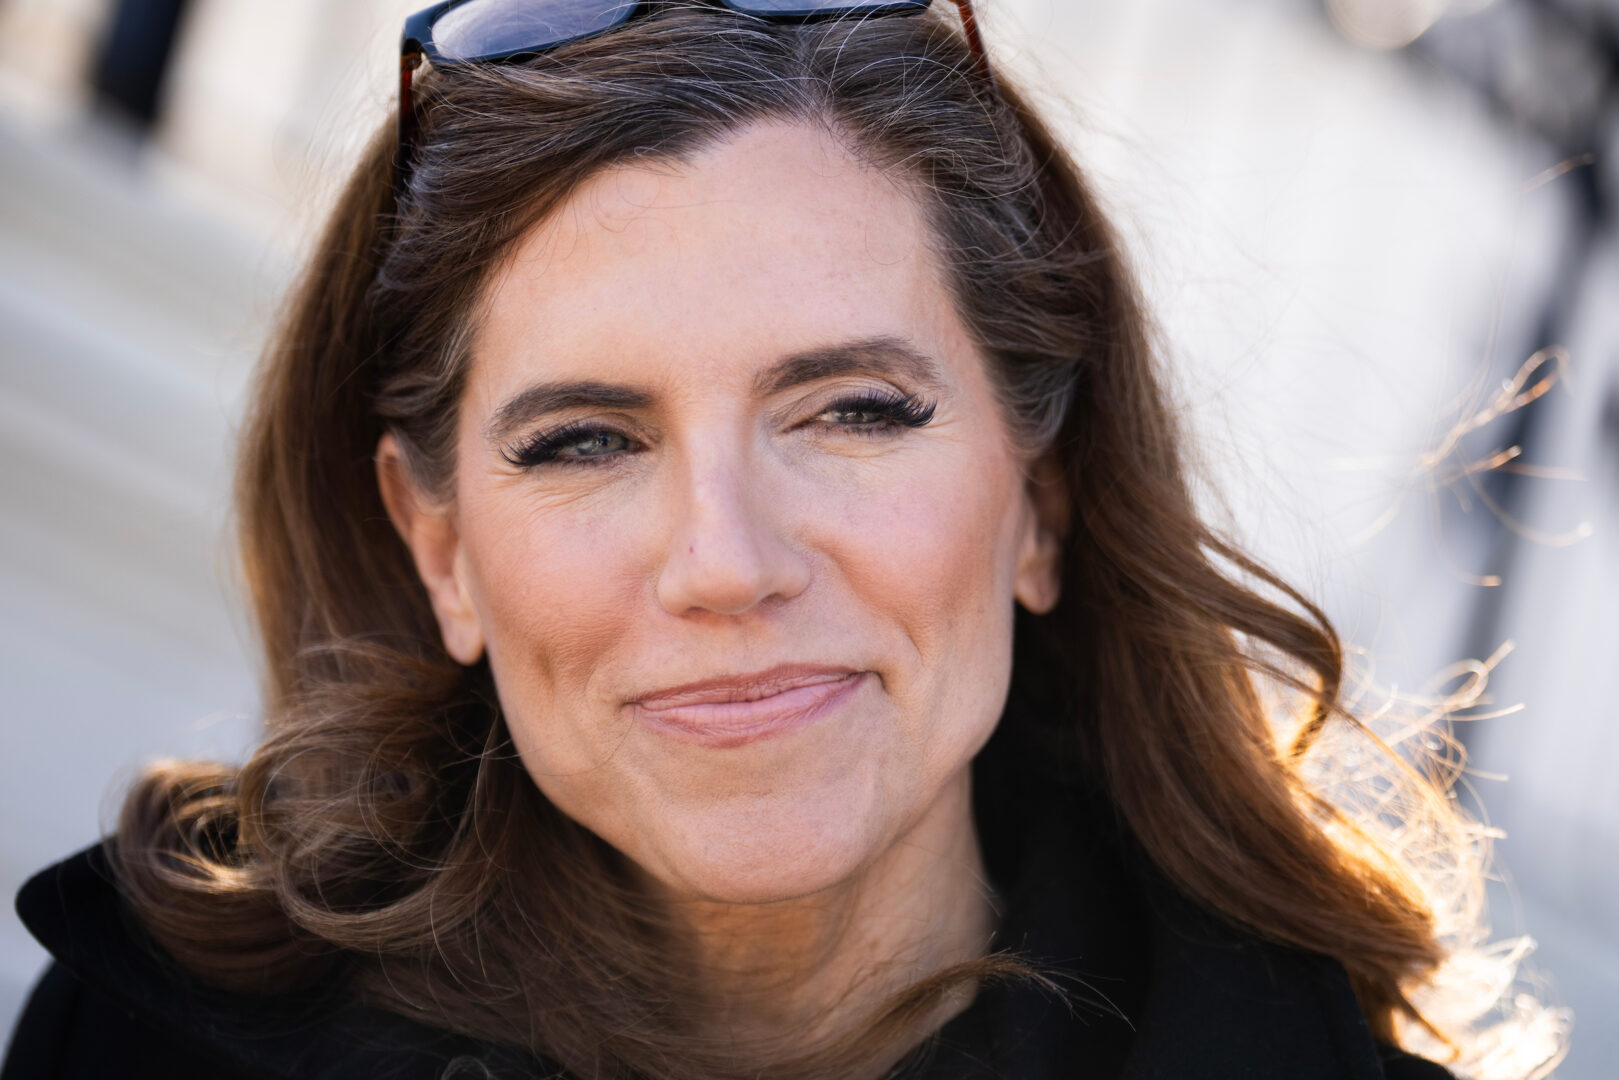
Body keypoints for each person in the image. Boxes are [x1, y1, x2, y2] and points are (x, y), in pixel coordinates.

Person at [1, 2, 1563, 1078]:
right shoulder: (151, 1040)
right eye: (586, 442)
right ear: (441, 548)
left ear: (1046, 494)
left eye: (853, 413)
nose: (726, 561)